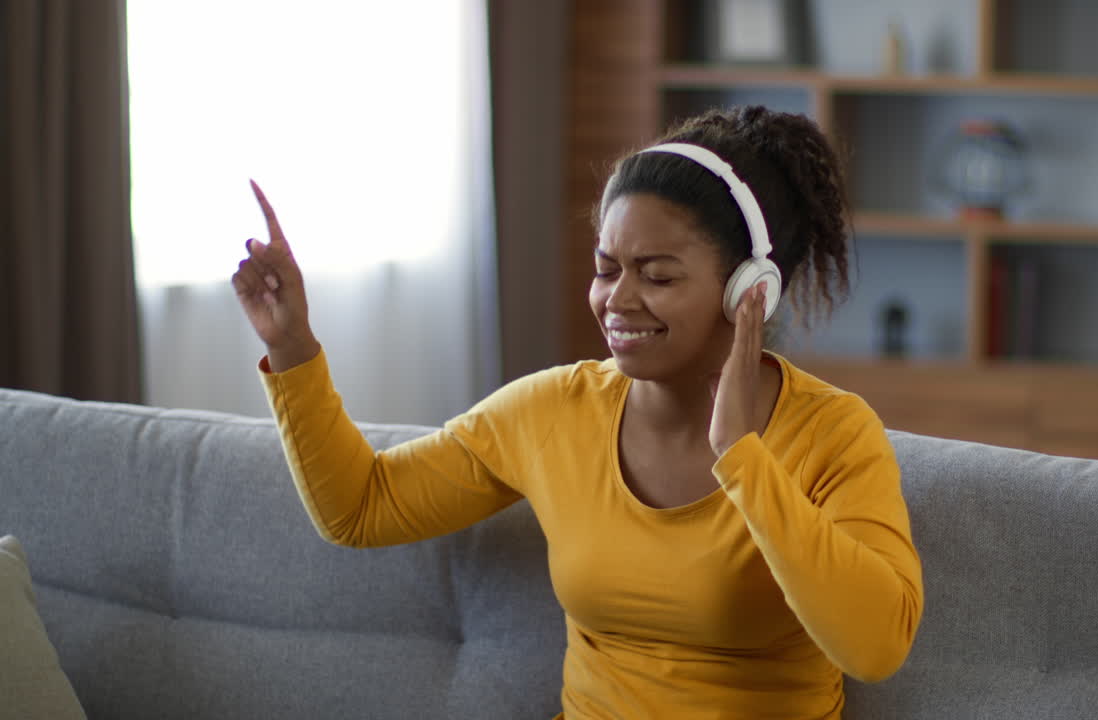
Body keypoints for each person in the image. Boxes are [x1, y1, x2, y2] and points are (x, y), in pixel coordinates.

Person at [231, 105, 923, 719]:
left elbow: (874, 647)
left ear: (751, 292)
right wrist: (292, 346)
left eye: (657, 275)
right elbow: (361, 506)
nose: (617, 301)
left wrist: (742, 456)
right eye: (605, 268)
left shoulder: (833, 435)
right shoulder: (553, 411)